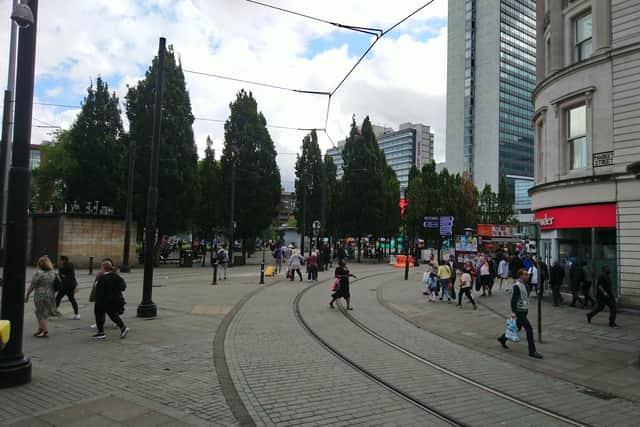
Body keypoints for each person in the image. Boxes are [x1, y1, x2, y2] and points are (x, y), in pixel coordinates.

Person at [498, 268, 543, 359]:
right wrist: (514, 312)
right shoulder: (517, 286)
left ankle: (502, 338)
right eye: (525, 274)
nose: (528, 276)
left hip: (524, 310)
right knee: (529, 329)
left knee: (517, 328)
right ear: (521, 276)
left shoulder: (526, 285)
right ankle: (532, 351)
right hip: (519, 312)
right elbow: (513, 300)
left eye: (528, 274)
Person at [93, 259, 129, 340]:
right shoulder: (115, 275)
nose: (100, 269)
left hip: (103, 301)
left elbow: (98, 289)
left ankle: (101, 333)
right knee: (113, 315)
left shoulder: (102, 277)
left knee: (99, 315)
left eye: (101, 267)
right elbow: (123, 287)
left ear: (104, 268)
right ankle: (123, 327)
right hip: (114, 300)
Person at [24, 255, 57, 338]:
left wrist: (27, 295)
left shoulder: (39, 273)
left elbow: (32, 285)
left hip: (40, 295)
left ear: (40, 264)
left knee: (40, 313)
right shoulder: (53, 272)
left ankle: (44, 330)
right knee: (41, 312)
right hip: (50, 294)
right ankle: (40, 329)